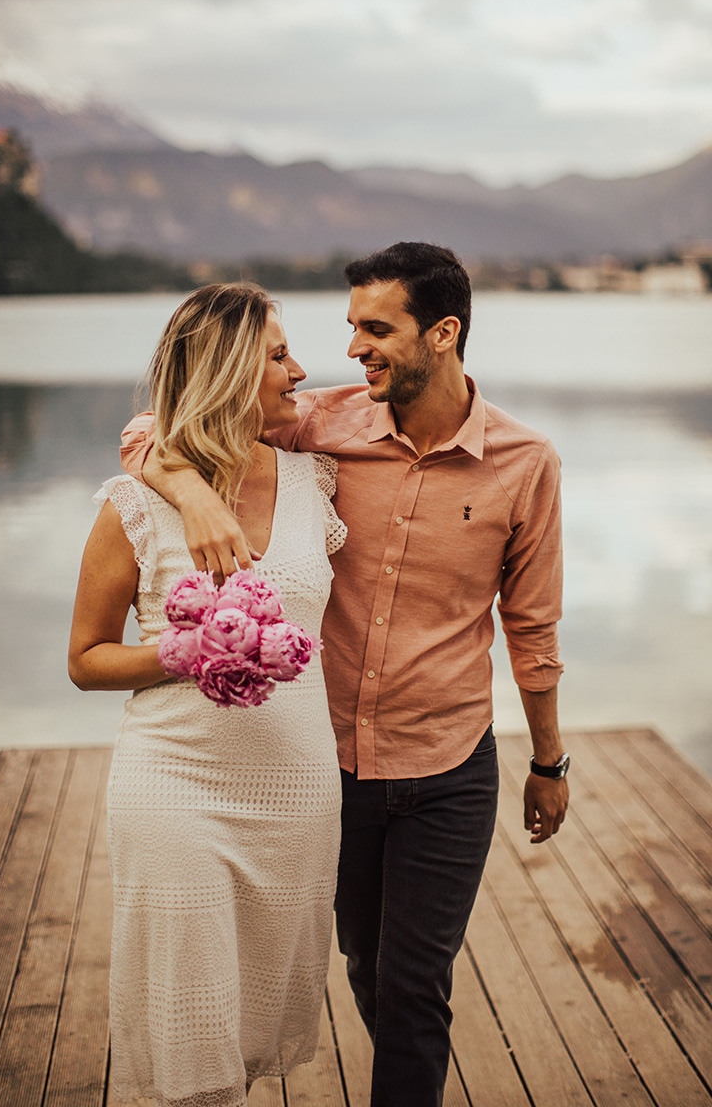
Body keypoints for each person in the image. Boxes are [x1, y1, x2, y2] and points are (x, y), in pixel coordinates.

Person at [120, 243, 570, 1107]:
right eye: (351, 327)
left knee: (413, 986)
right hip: (331, 770)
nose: (354, 349)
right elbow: (155, 429)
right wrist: (195, 494)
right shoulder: (321, 427)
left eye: (377, 329)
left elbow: (533, 628)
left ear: (444, 333)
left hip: (448, 767)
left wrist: (548, 762)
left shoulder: (527, 463)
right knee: (365, 962)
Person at [68, 283, 346, 1107]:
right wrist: (188, 653)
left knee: (254, 1024)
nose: (299, 370)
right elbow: (86, 659)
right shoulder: (134, 504)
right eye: (278, 355)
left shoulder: (315, 482)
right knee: (192, 1035)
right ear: (228, 372)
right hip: (176, 786)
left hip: (296, 790)